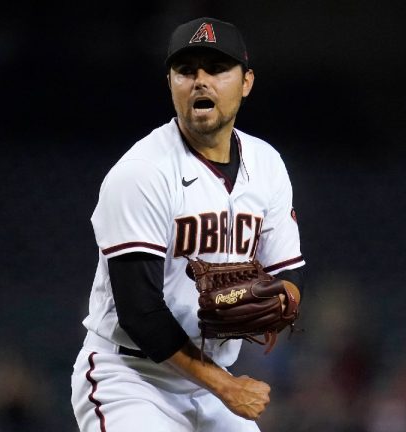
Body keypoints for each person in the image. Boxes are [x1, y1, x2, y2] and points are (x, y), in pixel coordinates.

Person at [70, 17, 306, 432]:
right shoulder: (141, 172)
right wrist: (227, 388)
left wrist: (282, 297)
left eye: (216, 69)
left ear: (246, 82)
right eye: (186, 70)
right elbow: (139, 314)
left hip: (211, 380)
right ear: (170, 83)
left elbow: (287, 269)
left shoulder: (266, 164)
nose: (200, 81)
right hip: (131, 378)